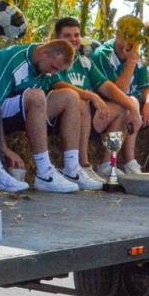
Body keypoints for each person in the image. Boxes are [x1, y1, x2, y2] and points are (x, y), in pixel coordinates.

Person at [0, 38, 82, 193]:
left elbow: (59, 87)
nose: (53, 73)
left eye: (57, 71)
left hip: (24, 111)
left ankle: (73, 169)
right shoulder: (12, 58)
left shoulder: (46, 67)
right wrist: (3, 149)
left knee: (71, 96)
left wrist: (92, 97)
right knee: (37, 96)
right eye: (53, 68)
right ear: (43, 53)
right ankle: (44, 173)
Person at [48, 17, 129, 186]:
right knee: (79, 101)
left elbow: (107, 87)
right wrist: (91, 95)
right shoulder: (52, 58)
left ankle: (107, 165)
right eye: (67, 35)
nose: (73, 39)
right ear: (56, 37)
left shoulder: (84, 61)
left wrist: (133, 108)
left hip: (88, 119)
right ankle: (82, 164)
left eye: (77, 35)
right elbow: (58, 84)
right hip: (61, 116)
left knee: (121, 109)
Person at [89, 17, 149, 174]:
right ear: (117, 34)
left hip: (134, 109)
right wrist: (131, 63)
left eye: (135, 38)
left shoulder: (138, 55)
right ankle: (117, 161)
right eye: (126, 36)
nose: (130, 41)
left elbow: (148, 87)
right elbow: (117, 93)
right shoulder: (103, 55)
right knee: (128, 103)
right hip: (108, 109)